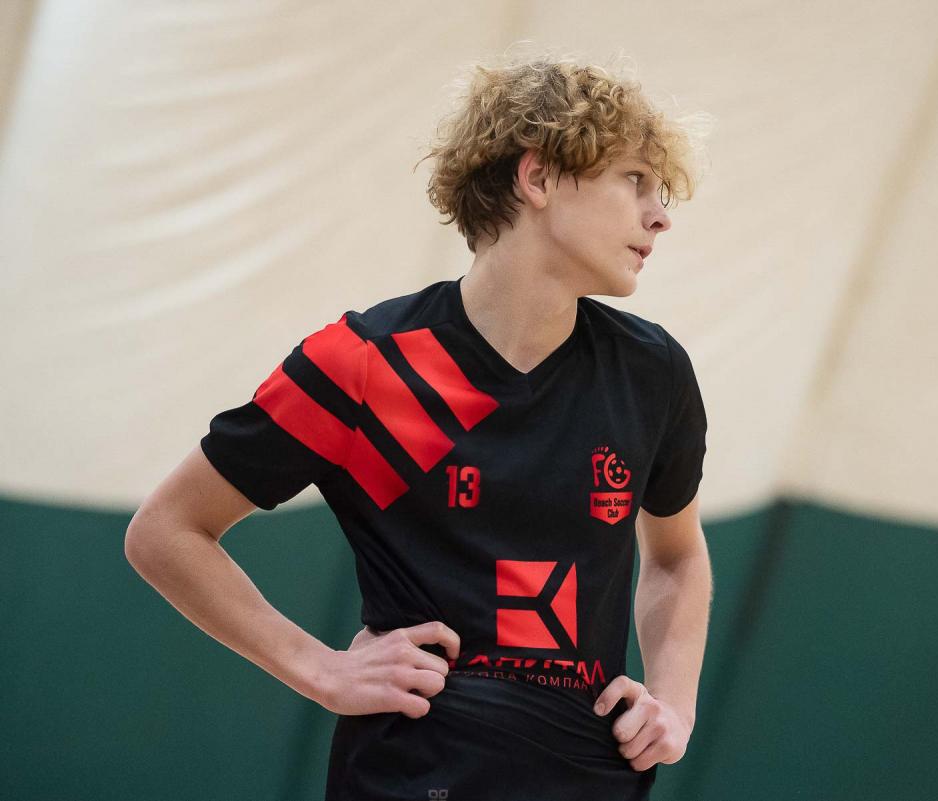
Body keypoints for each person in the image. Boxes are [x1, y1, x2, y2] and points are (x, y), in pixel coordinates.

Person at [125, 51, 713, 801]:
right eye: (635, 180)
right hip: (409, 778)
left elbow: (676, 557)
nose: (660, 215)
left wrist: (674, 705)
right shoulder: (365, 364)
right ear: (537, 178)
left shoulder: (652, 372)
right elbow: (166, 530)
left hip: (592, 781)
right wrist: (320, 668)